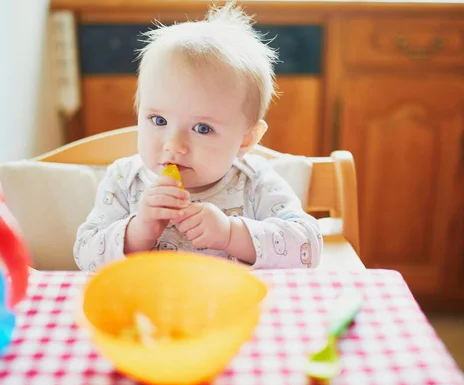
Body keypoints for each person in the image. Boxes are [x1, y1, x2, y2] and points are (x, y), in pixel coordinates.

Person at [74, 2, 322, 271]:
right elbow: (84, 256)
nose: (174, 145)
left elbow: (308, 248)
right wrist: (138, 231)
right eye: (159, 120)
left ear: (246, 139)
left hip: (227, 307)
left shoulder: (255, 183)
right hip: (146, 309)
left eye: (202, 128)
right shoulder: (125, 181)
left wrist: (232, 234)